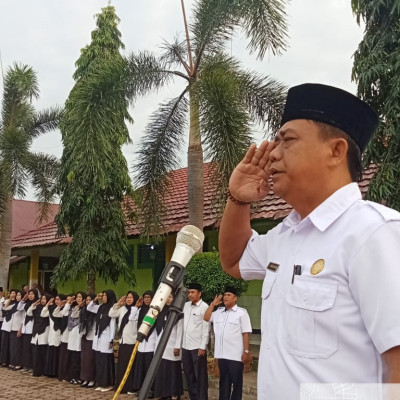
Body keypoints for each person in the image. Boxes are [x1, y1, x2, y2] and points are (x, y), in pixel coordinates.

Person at [219, 83, 400, 398]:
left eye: (286, 140)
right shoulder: (284, 236)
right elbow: (233, 261)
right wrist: (237, 199)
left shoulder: (373, 233)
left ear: (336, 151)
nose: (272, 153)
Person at [203, 287, 252, 400]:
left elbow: (246, 333)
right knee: (223, 383)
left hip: (235, 356)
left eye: (229, 295)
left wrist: (246, 351)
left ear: (235, 298)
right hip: (222, 355)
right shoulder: (218, 312)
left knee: (236, 384)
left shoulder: (241, 313)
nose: (225, 297)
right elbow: (206, 318)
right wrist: (212, 305)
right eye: (225, 295)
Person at [153, 293, 184, 400]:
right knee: (163, 371)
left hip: (172, 346)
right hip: (161, 347)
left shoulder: (178, 313)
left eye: (170, 297)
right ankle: (165, 393)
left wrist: (177, 346)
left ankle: (175, 394)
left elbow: (180, 332)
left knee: (173, 371)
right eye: (167, 297)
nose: (168, 299)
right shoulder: (161, 312)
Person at [109, 290, 141, 394]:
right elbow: (111, 313)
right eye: (127, 297)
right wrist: (118, 304)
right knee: (122, 365)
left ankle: (130, 387)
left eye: (131, 297)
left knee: (130, 366)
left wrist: (135, 308)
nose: (128, 299)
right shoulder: (122, 309)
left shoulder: (138, 310)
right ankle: (121, 387)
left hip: (132, 341)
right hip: (123, 341)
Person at [181, 283, 210, 400]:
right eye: (189, 292)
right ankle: (194, 397)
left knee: (200, 376)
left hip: (197, 347)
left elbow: (206, 328)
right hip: (185, 346)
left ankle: (202, 398)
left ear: (199, 293)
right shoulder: (186, 306)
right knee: (189, 374)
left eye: (192, 292)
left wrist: (203, 346)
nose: (190, 295)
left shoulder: (204, 307)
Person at [87, 289, 117, 392]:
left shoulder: (112, 309)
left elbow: (112, 325)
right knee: (99, 362)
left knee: (106, 363)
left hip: (106, 338)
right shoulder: (100, 307)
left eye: (105, 296)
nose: (104, 298)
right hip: (98, 338)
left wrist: (111, 340)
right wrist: (96, 299)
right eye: (103, 296)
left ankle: (108, 384)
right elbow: (89, 307)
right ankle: (100, 383)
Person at [131, 290, 156, 397]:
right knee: (141, 367)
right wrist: (136, 307)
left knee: (148, 366)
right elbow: (131, 318)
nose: (146, 299)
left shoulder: (155, 311)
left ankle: (150, 389)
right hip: (141, 342)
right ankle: (141, 388)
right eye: (145, 297)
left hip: (151, 341)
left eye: (148, 297)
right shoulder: (141, 310)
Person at [28, 293, 51, 377]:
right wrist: (33, 305)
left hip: (44, 332)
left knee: (42, 353)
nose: (43, 300)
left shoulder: (49, 309)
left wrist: (47, 305)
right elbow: (29, 313)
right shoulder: (37, 308)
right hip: (36, 332)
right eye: (42, 299)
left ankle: (42, 371)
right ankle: (36, 371)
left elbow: (43, 314)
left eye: (45, 299)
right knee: (35, 353)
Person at [18, 288, 39, 373]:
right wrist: (23, 299)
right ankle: (26, 365)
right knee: (25, 349)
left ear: (35, 295)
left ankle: (31, 366)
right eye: (29, 294)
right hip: (26, 329)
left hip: (32, 329)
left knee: (31, 350)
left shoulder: (37, 304)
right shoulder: (27, 304)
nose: (30, 296)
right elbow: (19, 308)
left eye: (32, 294)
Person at [79, 293, 97, 388]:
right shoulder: (83, 311)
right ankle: (85, 378)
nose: (88, 302)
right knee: (84, 360)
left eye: (90, 300)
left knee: (90, 360)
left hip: (92, 338)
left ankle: (92, 379)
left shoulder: (95, 311)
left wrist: (93, 301)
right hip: (84, 337)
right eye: (86, 300)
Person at [0, 289, 17, 367]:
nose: (12, 294)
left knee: (11, 345)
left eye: (14, 293)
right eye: (11, 293)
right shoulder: (7, 301)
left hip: (12, 325)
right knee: (4, 343)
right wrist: (10, 299)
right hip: (6, 324)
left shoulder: (17, 303)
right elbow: (4, 308)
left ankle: (11, 361)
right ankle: (3, 361)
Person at [9, 290, 24, 370]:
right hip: (12, 327)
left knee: (18, 347)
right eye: (17, 295)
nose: (17, 296)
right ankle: (13, 362)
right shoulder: (14, 304)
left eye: (19, 295)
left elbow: (23, 318)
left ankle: (18, 363)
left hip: (18, 328)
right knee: (13, 347)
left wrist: (20, 329)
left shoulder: (22, 305)